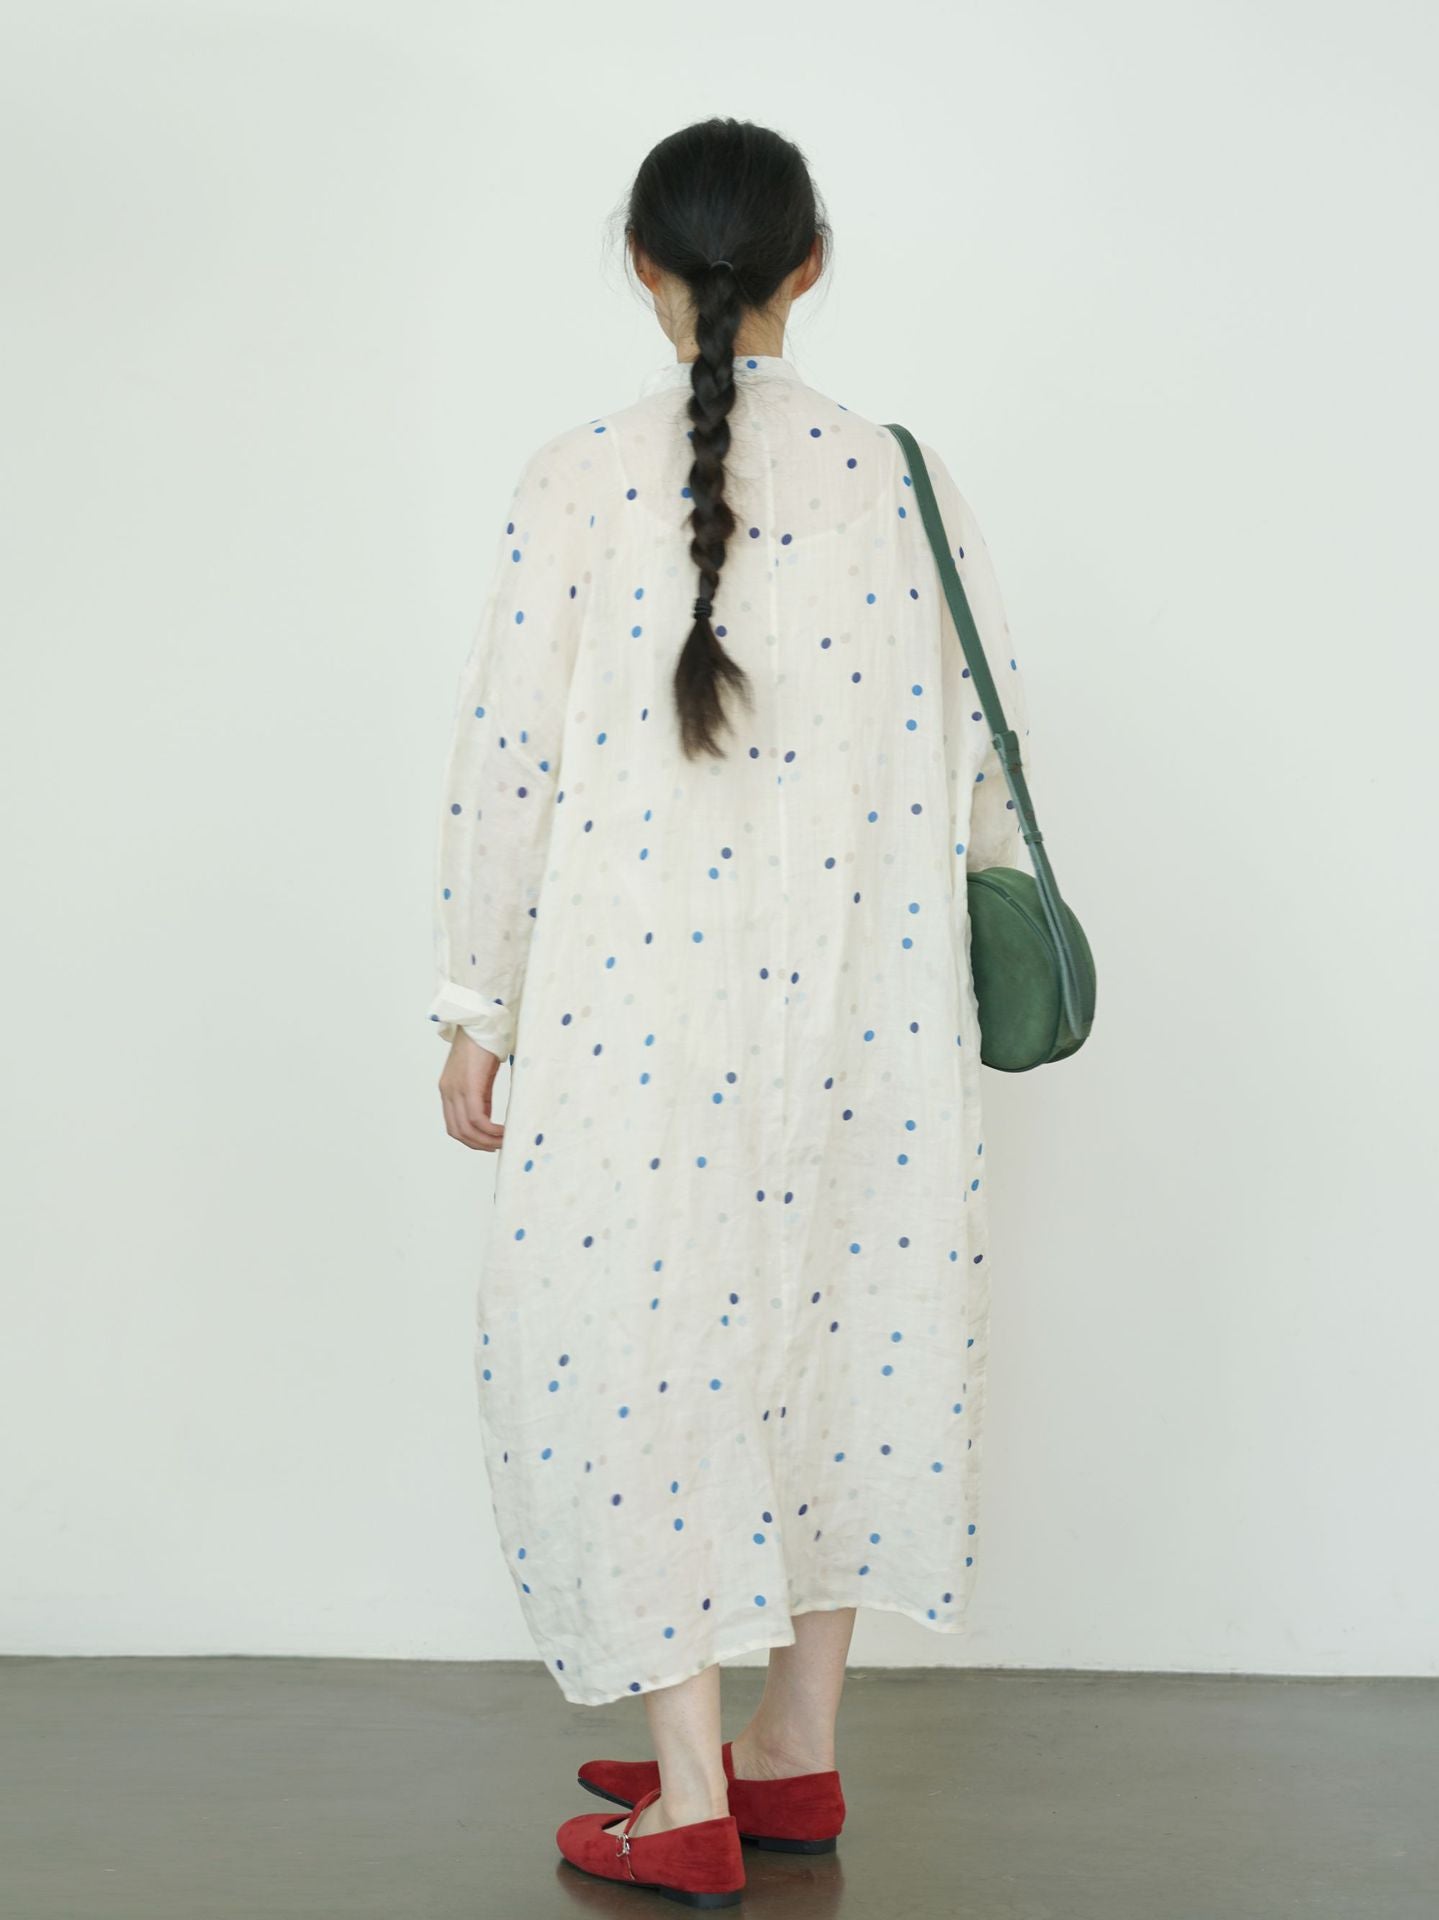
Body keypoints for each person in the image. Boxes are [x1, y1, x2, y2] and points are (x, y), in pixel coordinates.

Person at [428, 115, 1036, 1908]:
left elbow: (507, 765)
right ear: (810, 265)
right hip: (867, 1019)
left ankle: (694, 1787)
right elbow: (990, 754)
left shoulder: (576, 481)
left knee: (640, 1350)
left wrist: (477, 1001)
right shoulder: (904, 478)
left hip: (637, 1021)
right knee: (842, 1340)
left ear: (640, 265)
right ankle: (797, 1749)